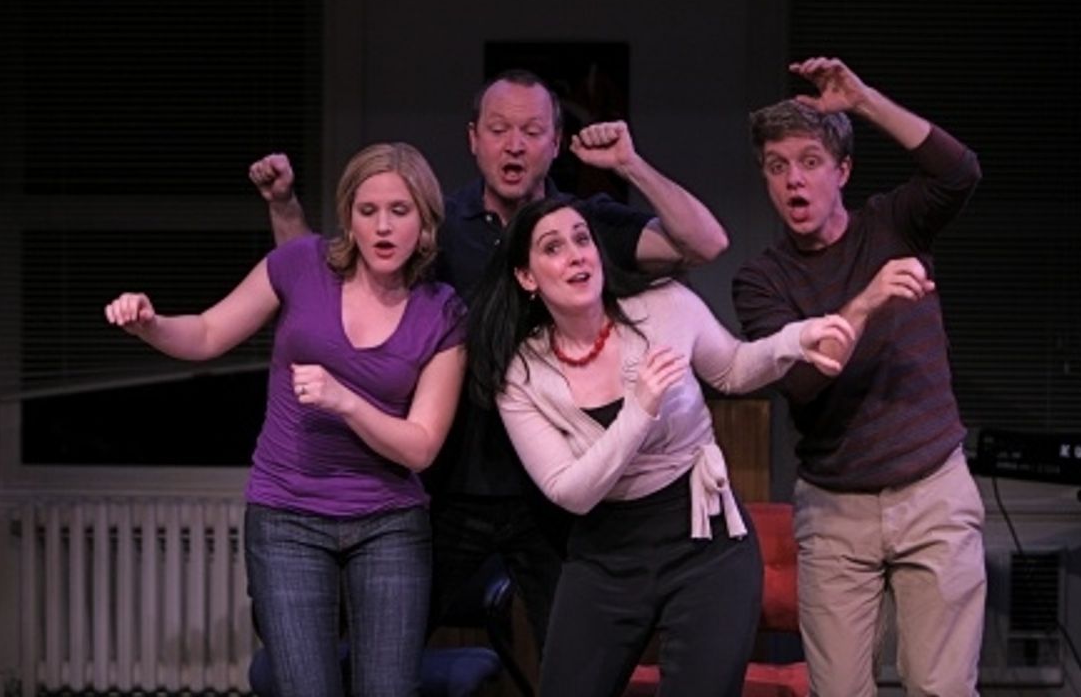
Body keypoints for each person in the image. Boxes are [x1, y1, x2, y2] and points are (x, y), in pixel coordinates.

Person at [249, 69, 729, 651]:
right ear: (473, 138)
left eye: (532, 131)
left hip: (557, 490)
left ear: (554, 143)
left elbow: (705, 244)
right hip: (449, 486)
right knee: (372, 653)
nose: (515, 144)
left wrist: (629, 164)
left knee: (580, 664)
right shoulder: (434, 226)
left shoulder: (582, 226)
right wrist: (283, 207)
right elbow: (317, 284)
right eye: (499, 129)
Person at [106, 143, 467, 697]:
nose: (383, 227)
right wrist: (149, 325)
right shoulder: (303, 266)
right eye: (368, 211)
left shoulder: (442, 312)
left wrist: (344, 400)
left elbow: (420, 448)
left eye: (400, 211)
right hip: (287, 519)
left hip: (389, 525)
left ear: (425, 224)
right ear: (349, 217)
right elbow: (205, 334)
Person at [466, 195, 854, 697]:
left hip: (705, 538)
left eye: (583, 240)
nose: (577, 255)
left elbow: (733, 369)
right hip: (606, 552)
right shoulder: (522, 373)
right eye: (553, 248)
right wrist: (639, 409)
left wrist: (796, 340)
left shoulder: (665, 305)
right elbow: (570, 491)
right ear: (527, 277)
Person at [732, 57, 986, 696]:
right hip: (836, 511)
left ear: (842, 170)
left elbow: (960, 172)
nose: (795, 181)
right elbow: (802, 384)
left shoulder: (893, 223)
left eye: (811, 162)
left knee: (942, 690)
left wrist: (865, 102)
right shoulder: (763, 281)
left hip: (933, 492)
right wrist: (867, 301)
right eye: (777, 166)